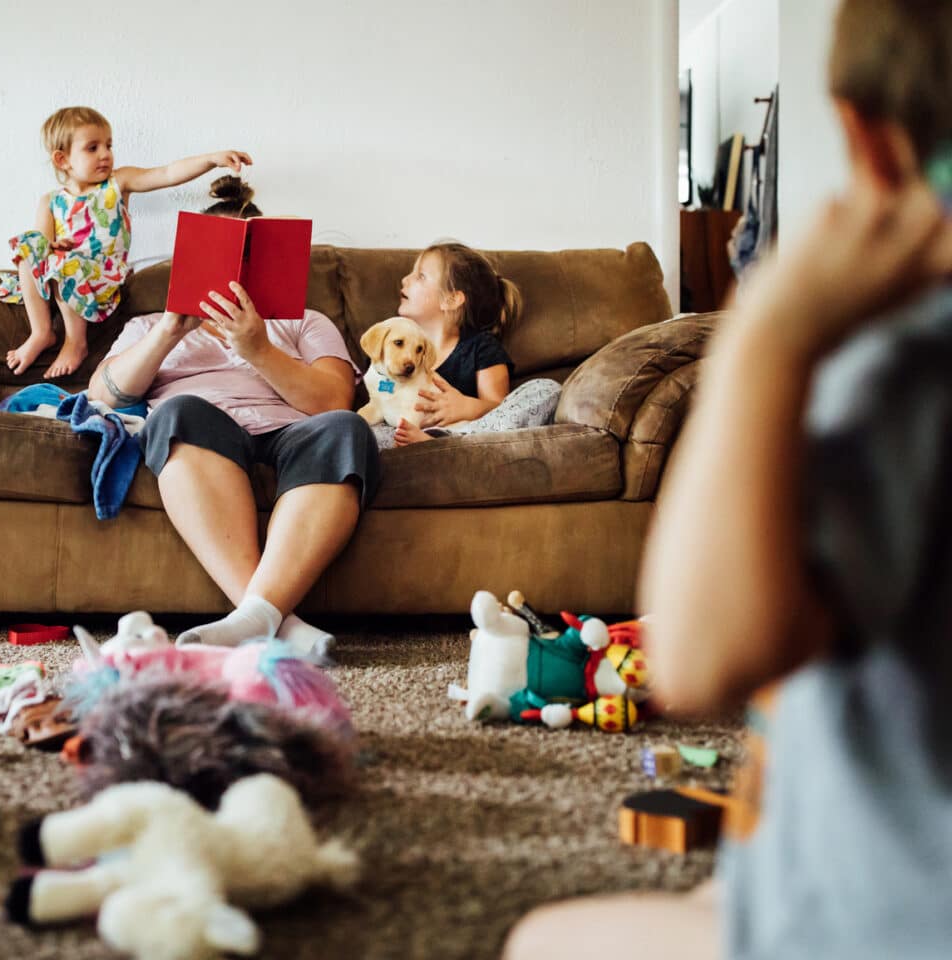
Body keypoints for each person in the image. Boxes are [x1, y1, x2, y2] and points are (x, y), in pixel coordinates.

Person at [504, 1, 952, 957]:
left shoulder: (901, 375)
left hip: (892, 924)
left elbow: (703, 658)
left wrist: (767, 341)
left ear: (866, 141)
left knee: (545, 940)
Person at [86, 179, 378, 655]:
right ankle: (269, 620)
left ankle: (255, 620)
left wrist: (258, 348)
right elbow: (106, 394)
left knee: (347, 430)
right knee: (180, 412)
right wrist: (168, 331)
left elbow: (333, 402)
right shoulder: (148, 326)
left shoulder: (305, 320)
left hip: (293, 432)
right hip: (204, 431)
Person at [0, 105, 252, 378]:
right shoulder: (50, 201)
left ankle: (76, 341)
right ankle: (42, 332)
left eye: (108, 145)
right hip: (64, 273)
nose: (106, 154)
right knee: (28, 246)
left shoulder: (117, 183)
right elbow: (43, 247)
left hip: (101, 278)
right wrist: (54, 247)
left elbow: (166, 174)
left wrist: (212, 159)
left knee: (63, 264)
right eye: (92, 148)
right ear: (63, 160)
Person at [387, 242, 522, 445]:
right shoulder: (392, 340)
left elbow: (501, 410)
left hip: (465, 436)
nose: (405, 280)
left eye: (420, 276)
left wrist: (466, 407)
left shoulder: (481, 347)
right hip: (398, 432)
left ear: (451, 299)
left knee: (546, 389)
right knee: (358, 430)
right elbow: (378, 389)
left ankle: (440, 441)